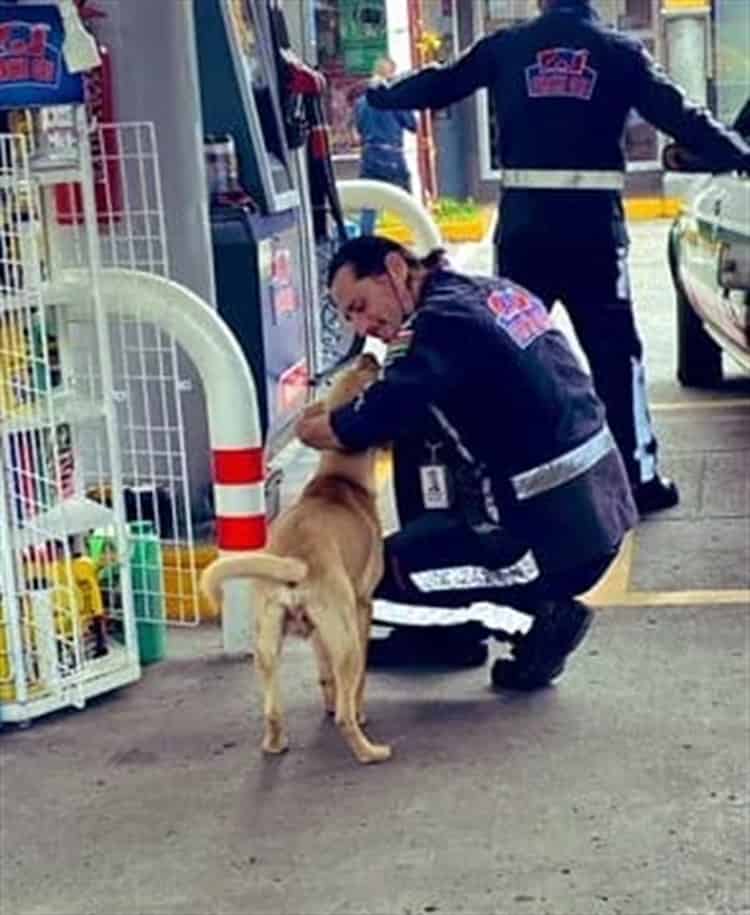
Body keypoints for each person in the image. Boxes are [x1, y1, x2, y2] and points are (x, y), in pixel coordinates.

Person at [364, 0, 750, 516]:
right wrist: (739, 152)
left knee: (508, 352)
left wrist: (382, 93)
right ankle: (638, 478)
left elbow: (441, 83)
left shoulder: (506, 48)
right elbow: (683, 118)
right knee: (616, 355)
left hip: (524, 229)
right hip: (593, 229)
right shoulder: (620, 53)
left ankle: (508, 479)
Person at [296, 235, 637, 689]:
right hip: (601, 510)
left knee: (362, 581)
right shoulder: (493, 292)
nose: (362, 326)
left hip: (546, 541)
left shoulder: (439, 325)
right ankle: (448, 633)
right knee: (427, 446)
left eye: (360, 305)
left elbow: (381, 412)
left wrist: (320, 427)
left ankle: (537, 620)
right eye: (350, 317)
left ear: (396, 268)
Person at [354, 57, 417, 235]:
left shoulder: (360, 102)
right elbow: (412, 125)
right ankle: (418, 236)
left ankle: (365, 240)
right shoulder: (393, 99)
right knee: (407, 199)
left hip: (369, 156)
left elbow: (359, 129)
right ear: (390, 75)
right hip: (392, 156)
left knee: (369, 203)